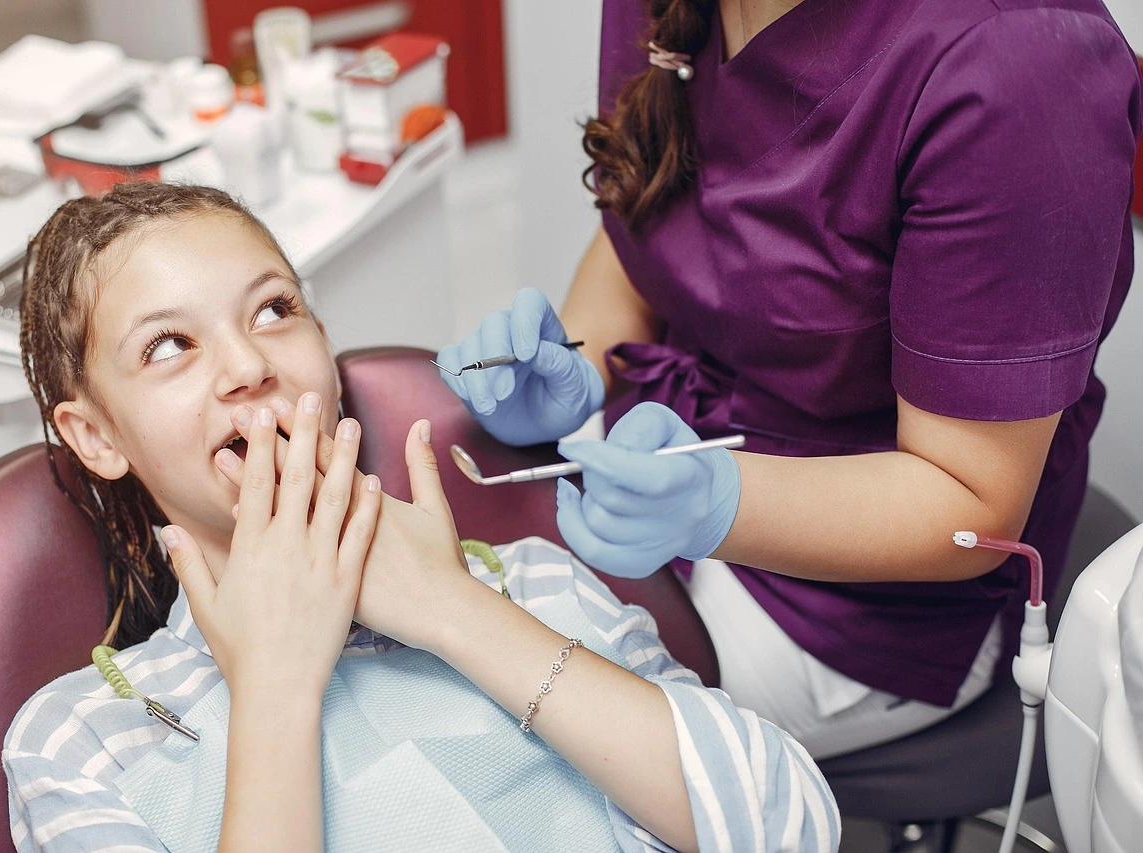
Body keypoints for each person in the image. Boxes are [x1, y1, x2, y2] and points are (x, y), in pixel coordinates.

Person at [1, 181, 838, 853]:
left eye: (272, 310)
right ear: (97, 435)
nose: (248, 366)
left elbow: (790, 827)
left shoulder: (532, 583)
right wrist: (274, 686)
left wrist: (453, 608)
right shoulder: (84, 739)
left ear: (325, 348)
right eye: (168, 346)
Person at [440, 0, 1143, 758]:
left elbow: (973, 501)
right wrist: (578, 363)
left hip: (867, 604)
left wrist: (717, 502)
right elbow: (658, 211)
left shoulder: (1017, 64)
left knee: (504, 751)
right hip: (669, 471)